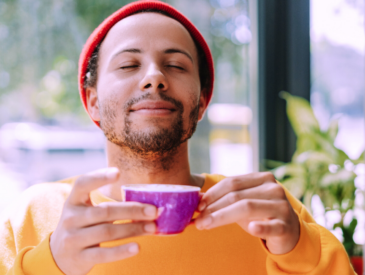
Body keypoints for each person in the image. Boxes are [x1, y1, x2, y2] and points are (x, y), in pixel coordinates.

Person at [0, 1, 356, 274]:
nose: (154, 77)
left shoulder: (267, 215)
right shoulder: (35, 215)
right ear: (92, 101)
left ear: (201, 102)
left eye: (176, 65)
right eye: (128, 65)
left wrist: (298, 251)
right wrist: (51, 263)